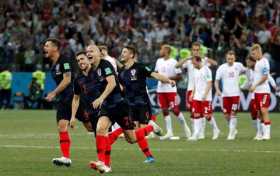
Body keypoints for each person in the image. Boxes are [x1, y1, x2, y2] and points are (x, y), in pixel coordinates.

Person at [85, 44, 162, 173]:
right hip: (109, 106)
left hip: (120, 105)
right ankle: (102, 163)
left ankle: (150, 127)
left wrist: (101, 98)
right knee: (100, 129)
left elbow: (112, 83)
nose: (88, 53)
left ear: (99, 53)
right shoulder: (92, 70)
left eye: (91, 51)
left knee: (131, 139)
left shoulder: (106, 64)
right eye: (86, 51)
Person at [119, 46, 175, 163]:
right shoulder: (122, 72)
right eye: (122, 52)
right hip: (130, 105)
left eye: (125, 52)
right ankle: (150, 152)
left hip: (142, 103)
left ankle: (150, 152)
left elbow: (155, 75)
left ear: (131, 55)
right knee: (134, 136)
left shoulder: (140, 67)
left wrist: (169, 80)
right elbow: (120, 88)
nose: (122, 54)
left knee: (141, 131)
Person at [70, 51, 124, 172]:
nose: (80, 62)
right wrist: (73, 117)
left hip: (106, 108)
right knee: (101, 137)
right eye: (78, 60)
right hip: (92, 111)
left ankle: (105, 164)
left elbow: (113, 83)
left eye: (82, 59)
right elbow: (76, 98)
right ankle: (105, 164)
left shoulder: (98, 72)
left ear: (89, 59)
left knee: (104, 134)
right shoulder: (78, 79)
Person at [176, 42, 218, 139]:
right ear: (191, 50)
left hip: (202, 90)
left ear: (200, 50)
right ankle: (196, 132)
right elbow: (177, 66)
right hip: (191, 89)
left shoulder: (203, 61)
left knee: (204, 113)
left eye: (197, 50)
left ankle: (201, 132)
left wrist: (205, 58)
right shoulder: (189, 61)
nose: (195, 51)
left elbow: (215, 64)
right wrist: (187, 58)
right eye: (194, 50)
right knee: (194, 113)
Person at [43, 38, 74, 166]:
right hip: (64, 99)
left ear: (55, 48)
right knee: (62, 126)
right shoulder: (53, 64)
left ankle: (115, 131)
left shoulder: (65, 61)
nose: (44, 48)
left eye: (47, 45)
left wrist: (54, 93)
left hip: (75, 97)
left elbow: (67, 79)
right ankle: (65, 157)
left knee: (91, 127)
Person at [155, 44, 191, 140]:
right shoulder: (158, 61)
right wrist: (159, 77)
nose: (160, 51)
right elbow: (156, 73)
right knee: (165, 110)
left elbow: (180, 76)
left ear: (166, 51)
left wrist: (167, 78)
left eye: (162, 49)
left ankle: (185, 127)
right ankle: (169, 132)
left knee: (175, 110)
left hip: (170, 89)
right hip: (160, 89)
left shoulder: (173, 61)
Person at [243, 56, 277, 140]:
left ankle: (264, 133)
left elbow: (268, 76)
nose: (248, 64)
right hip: (254, 94)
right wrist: (243, 86)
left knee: (262, 111)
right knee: (258, 113)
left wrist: (275, 86)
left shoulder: (259, 68)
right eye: (246, 62)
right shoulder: (248, 71)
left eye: (249, 62)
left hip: (262, 92)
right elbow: (249, 82)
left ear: (253, 62)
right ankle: (259, 133)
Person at [215, 50, 246, 140]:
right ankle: (233, 130)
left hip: (235, 94)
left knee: (233, 114)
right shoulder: (221, 68)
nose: (230, 60)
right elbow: (216, 80)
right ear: (226, 58)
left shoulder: (239, 65)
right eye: (228, 59)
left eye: (232, 59)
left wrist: (245, 82)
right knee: (226, 115)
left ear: (234, 58)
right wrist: (217, 89)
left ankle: (231, 134)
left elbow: (247, 70)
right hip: (225, 95)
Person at [190, 56, 220, 141]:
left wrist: (205, 94)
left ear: (198, 61)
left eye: (194, 62)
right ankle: (196, 133)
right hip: (196, 96)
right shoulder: (194, 70)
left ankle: (216, 129)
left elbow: (209, 83)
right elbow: (195, 83)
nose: (193, 64)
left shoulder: (206, 70)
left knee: (207, 115)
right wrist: (192, 93)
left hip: (206, 97)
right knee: (196, 115)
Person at [249, 44, 272, 140]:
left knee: (264, 110)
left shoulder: (265, 61)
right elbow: (256, 77)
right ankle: (261, 134)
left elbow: (265, 77)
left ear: (259, 51)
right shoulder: (257, 63)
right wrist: (253, 86)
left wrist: (255, 85)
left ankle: (267, 134)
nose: (253, 56)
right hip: (257, 92)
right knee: (259, 113)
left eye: (254, 54)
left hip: (264, 91)